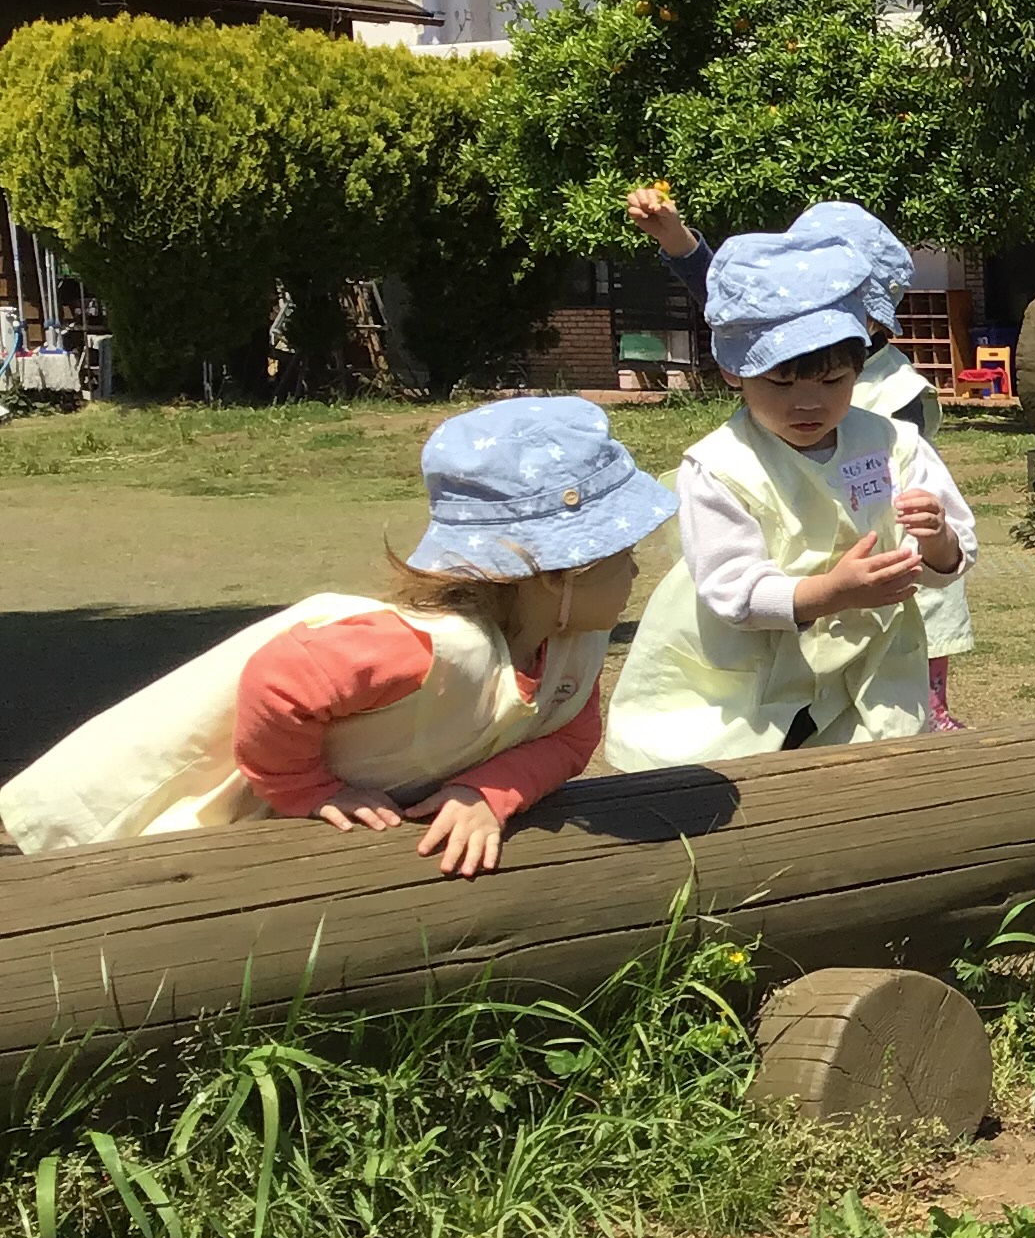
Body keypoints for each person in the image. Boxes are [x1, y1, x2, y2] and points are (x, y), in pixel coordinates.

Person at [0, 398, 672, 872]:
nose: (637, 569)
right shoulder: (427, 645)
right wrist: (311, 791)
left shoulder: (572, 648)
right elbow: (281, 680)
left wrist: (490, 791)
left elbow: (571, 735)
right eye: (622, 556)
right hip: (213, 802)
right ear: (557, 575)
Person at [606, 209, 977, 768]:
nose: (809, 403)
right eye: (780, 382)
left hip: (866, 665)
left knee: (866, 784)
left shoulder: (891, 442)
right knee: (752, 789)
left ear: (862, 364)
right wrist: (832, 592)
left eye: (833, 382)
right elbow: (735, 590)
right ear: (733, 370)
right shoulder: (720, 466)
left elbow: (952, 558)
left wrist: (937, 539)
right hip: (747, 674)